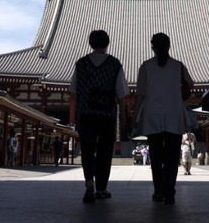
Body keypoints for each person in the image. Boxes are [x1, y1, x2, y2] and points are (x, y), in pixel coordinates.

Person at [134, 32, 194, 205]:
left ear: (152, 47)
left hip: (152, 116)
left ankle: (158, 191)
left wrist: (135, 117)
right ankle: (170, 192)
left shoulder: (146, 66)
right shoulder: (178, 66)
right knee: (171, 157)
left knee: (156, 157)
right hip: (174, 116)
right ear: (169, 46)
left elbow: (140, 95)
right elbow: (191, 85)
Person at [70, 30, 128, 204]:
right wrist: (124, 116)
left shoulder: (81, 64)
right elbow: (121, 93)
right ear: (107, 43)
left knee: (87, 150)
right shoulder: (114, 64)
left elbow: (73, 91)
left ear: (90, 43)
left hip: (86, 114)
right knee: (104, 152)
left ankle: (89, 182)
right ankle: (101, 188)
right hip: (106, 115)